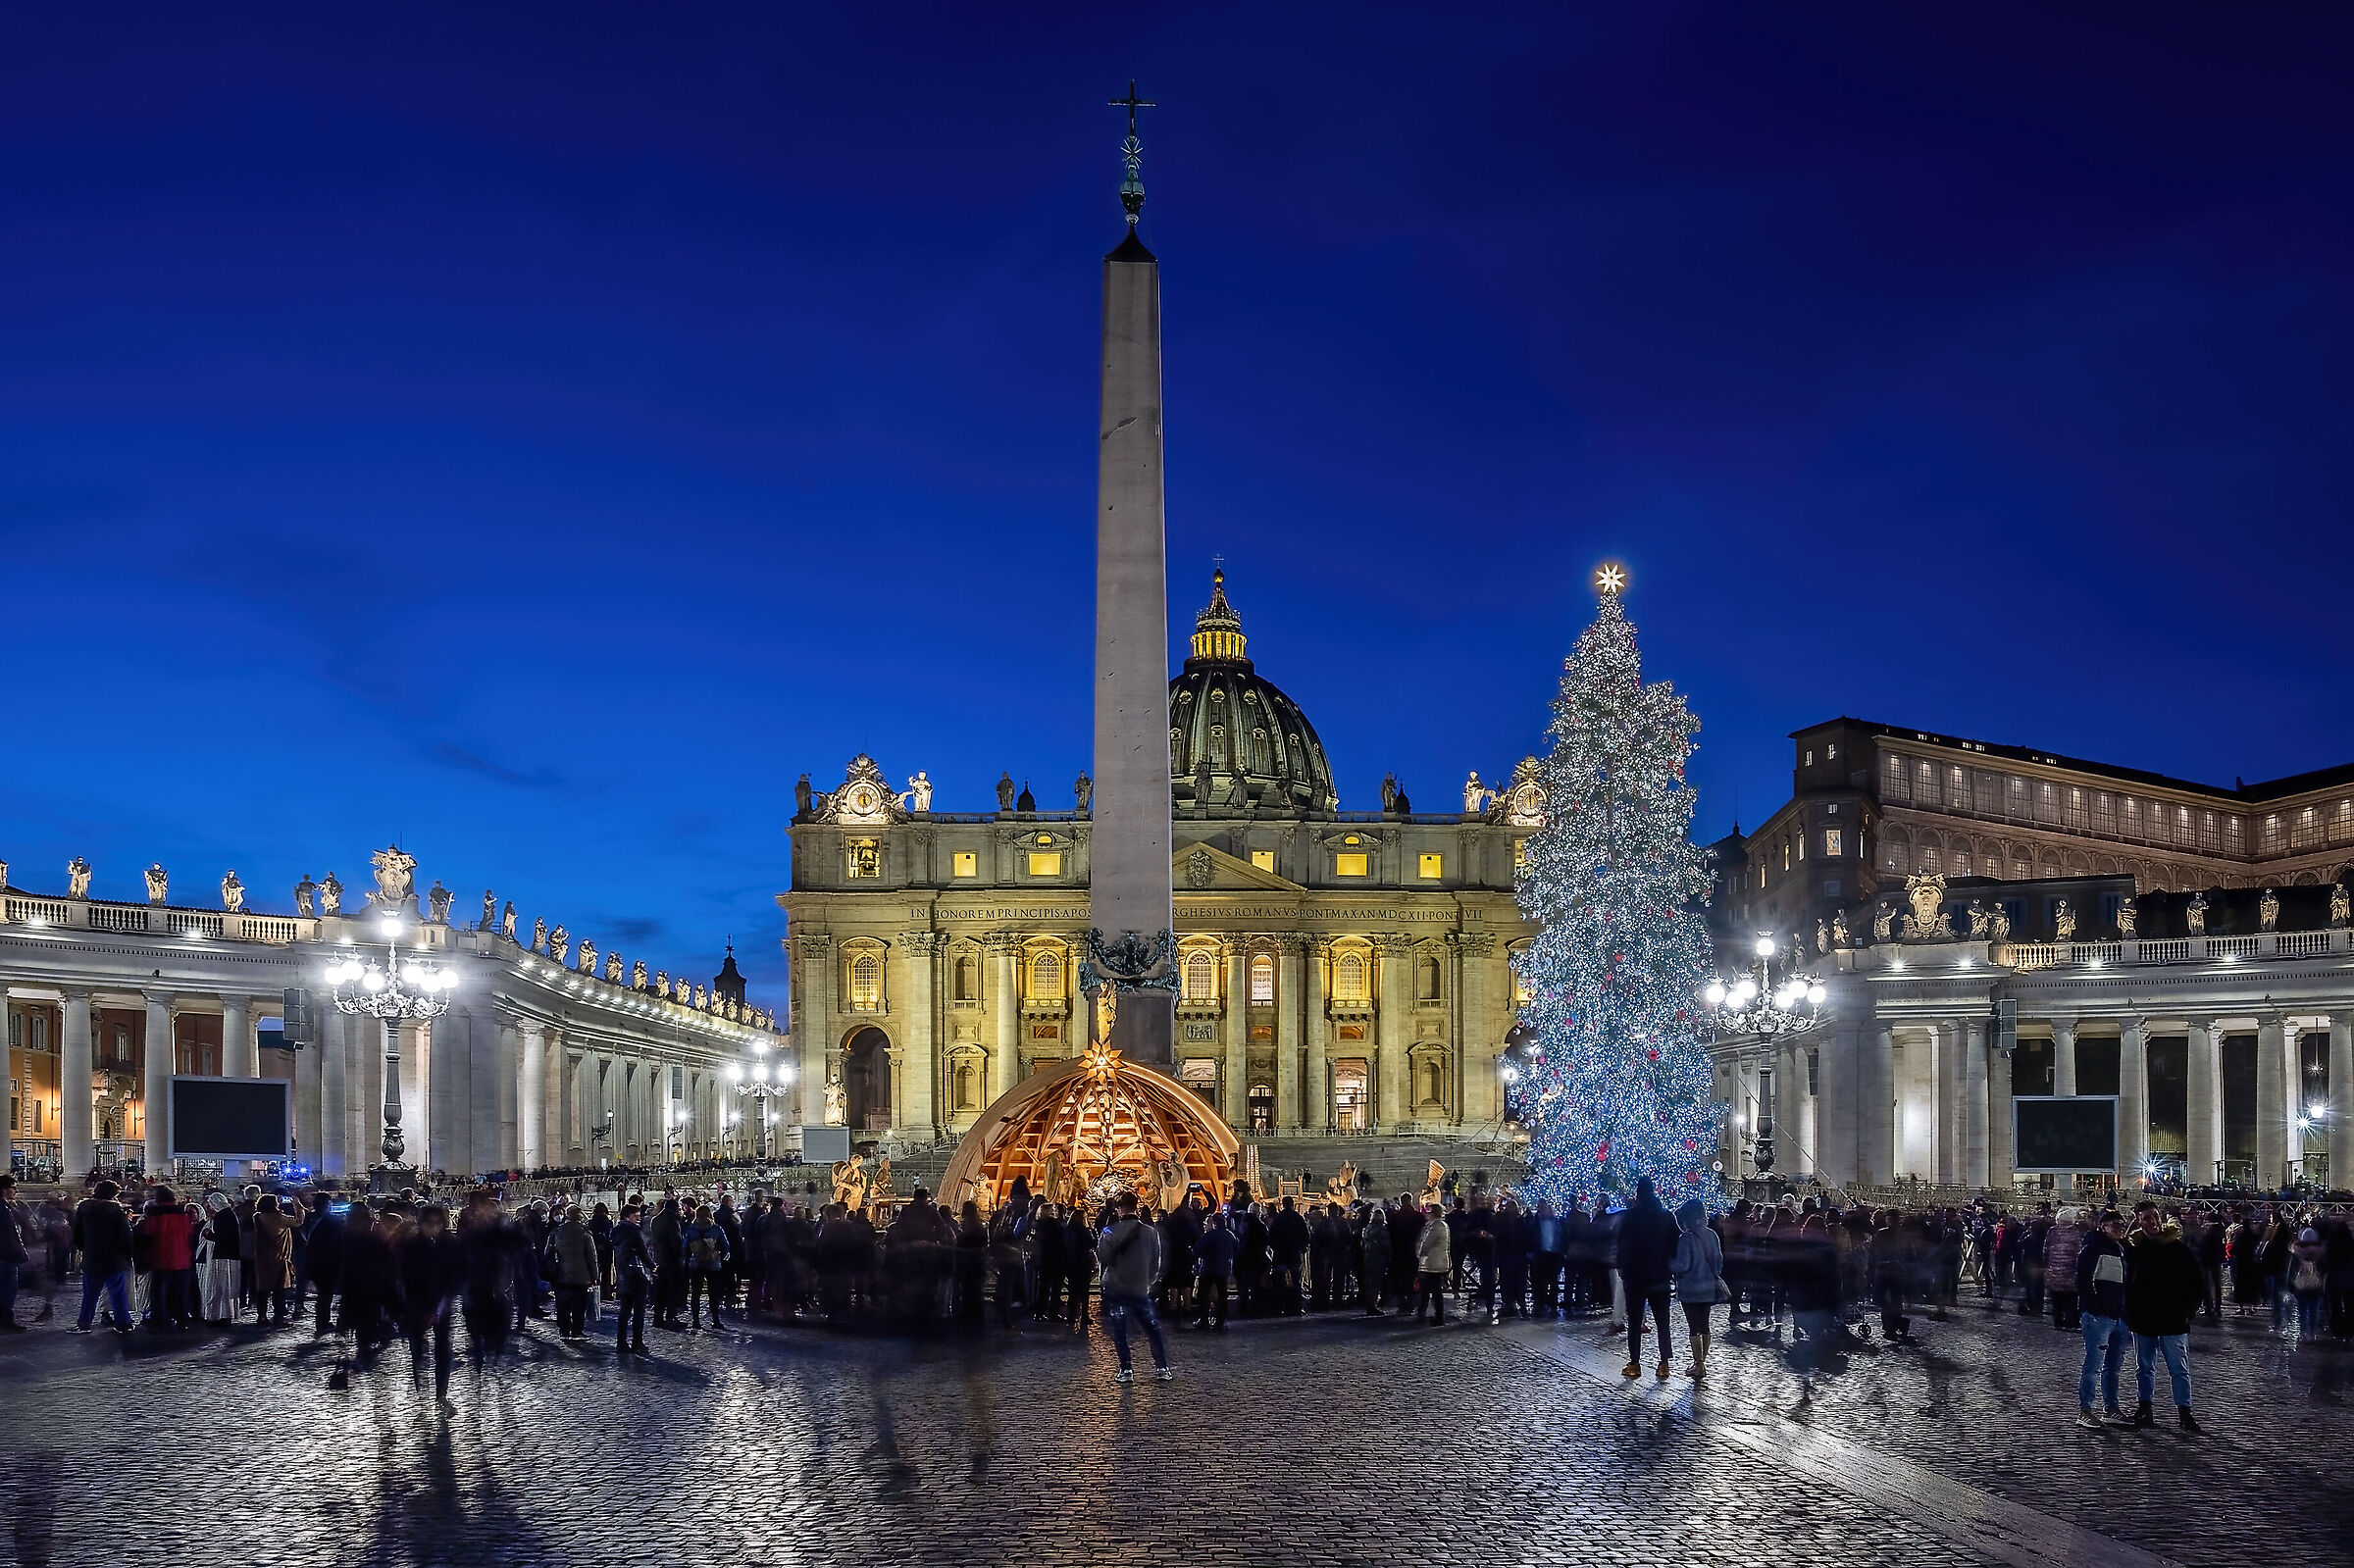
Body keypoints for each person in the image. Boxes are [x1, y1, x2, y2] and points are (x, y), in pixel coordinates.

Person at [2123, 1208, 2204, 1432]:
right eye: (2147, 1218)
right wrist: (2130, 1309)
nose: (2153, 1221)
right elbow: (2128, 1279)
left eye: (2156, 1216)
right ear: (2139, 1222)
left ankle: (2185, 1412)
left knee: (2179, 1367)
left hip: (2173, 1317)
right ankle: (2145, 1408)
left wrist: (2189, 1309)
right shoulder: (2136, 1249)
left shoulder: (2177, 1248)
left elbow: (2195, 1280)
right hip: (2143, 1317)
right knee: (2144, 1367)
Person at [393, 1205, 463, 1408]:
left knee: (443, 1350)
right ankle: (420, 1387)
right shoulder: (410, 1245)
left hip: (442, 1304)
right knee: (418, 1349)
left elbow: (457, 1275)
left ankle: (441, 1393)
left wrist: (442, 1304)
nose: (433, 1228)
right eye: (428, 1224)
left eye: (437, 1224)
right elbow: (404, 1277)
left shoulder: (451, 1244)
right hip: (417, 1304)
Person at [1096, 1193, 1170, 1383]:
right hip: (1139, 1287)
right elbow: (1156, 1262)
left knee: (1120, 1330)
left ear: (1120, 1208)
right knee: (1152, 1329)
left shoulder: (1110, 1232)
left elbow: (1103, 1258)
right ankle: (1162, 1367)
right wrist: (1148, 1281)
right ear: (1136, 1206)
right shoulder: (1150, 1232)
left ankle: (1126, 1369)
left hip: (1116, 1286)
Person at [1617, 1177, 1680, 1382]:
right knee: (1663, 1321)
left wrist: (1622, 1267)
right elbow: (1675, 1245)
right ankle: (1664, 1364)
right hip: (1660, 1274)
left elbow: (1622, 1243)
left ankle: (1635, 1363)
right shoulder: (1666, 1216)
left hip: (1635, 1276)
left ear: (1638, 1193)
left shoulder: (1631, 1216)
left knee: (1635, 1320)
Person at [2074, 1210, 2130, 1428]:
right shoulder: (2093, 1249)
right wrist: (2097, 1307)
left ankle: (2111, 1408)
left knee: (2113, 1366)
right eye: (2114, 1224)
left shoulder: (2122, 1250)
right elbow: (2082, 1280)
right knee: (2094, 1365)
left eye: (2121, 1224)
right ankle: (2085, 1409)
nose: (2119, 1228)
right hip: (2099, 1316)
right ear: (2102, 1227)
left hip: (2117, 1315)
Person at [69, 1180, 135, 1336]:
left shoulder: (83, 1209)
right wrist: (128, 1255)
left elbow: (77, 1233)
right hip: (114, 1258)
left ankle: (84, 1324)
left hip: (92, 1256)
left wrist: (84, 1248)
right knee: (117, 1293)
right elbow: (126, 1236)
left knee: (90, 1294)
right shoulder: (116, 1212)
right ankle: (123, 1323)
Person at [1669, 1197, 1725, 1379]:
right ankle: (1702, 1362)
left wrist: (1669, 1264)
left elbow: (1682, 1265)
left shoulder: (1686, 1237)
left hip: (1690, 1288)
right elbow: (1719, 1260)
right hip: (1708, 1285)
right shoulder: (1712, 1234)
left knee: (1693, 1326)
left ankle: (1698, 1364)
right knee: (1705, 1324)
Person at [136, 1186, 197, 1331]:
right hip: (182, 1258)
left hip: (160, 1258)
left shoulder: (154, 1216)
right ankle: (182, 1320)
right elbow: (189, 1235)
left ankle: (160, 1321)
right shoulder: (184, 1216)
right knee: (181, 1292)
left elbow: (149, 1236)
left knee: (159, 1292)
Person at [251, 1193, 307, 1328]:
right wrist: (297, 1204)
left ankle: (262, 1316)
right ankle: (279, 1317)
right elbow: (298, 1220)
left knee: (263, 1288)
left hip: (262, 1257)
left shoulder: (257, 1217)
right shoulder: (279, 1218)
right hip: (279, 1257)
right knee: (279, 1288)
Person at [545, 1205, 598, 1338]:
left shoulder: (556, 1232)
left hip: (561, 1275)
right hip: (582, 1276)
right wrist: (595, 1276)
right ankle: (576, 1331)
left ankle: (563, 1329)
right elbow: (592, 1257)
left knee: (562, 1305)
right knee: (579, 1306)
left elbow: (547, 1252)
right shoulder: (585, 1234)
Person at [611, 1202, 654, 1353]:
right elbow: (643, 1252)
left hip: (623, 1273)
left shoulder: (615, 1231)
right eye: (635, 1216)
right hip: (637, 1273)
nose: (639, 1218)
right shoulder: (634, 1232)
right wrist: (652, 1266)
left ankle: (621, 1342)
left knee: (625, 1310)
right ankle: (637, 1341)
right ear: (627, 1216)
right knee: (639, 1310)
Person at [683, 1203, 731, 1329]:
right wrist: (719, 1256)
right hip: (713, 1264)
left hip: (696, 1264)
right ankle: (715, 1320)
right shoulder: (716, 1229)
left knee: (696, 1293)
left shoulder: (691, 1229)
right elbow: (726, 1247)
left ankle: (696, 1321)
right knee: (713, 1293)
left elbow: (684, 1247)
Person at [1193, 1209, 1237, 1330]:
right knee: (1222, 1295)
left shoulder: (1209, 1235)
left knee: (1203, 1295)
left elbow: (1197, 1250)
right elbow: (1237, 1248)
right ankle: (1220, 1321)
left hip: (1208, 1268)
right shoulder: (1230, 1235)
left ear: (1214, 1223)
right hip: (1224, 1269)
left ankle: (1203, 1320)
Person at [1412, 1199, 1452, 1324]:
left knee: (1428, 1291)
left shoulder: (1435, 1226)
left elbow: (1426, 1243)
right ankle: (1428, 1314)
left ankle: (1431, 1315)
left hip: (1431, 1263)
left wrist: (1418, 1254)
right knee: (1433, 1291)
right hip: (1437, 1263)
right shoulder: (1443, 1225)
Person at [1268, 1195, 1308, 1317]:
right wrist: (1301, 1248)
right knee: (1296, 1282)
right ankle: (1295, 1308)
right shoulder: (1298, 1218)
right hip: (1294, 1254)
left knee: (1279, 1283)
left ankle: (1279, 1307)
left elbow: (1271, 1237)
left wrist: (1276, 1248)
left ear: (1282, 1205)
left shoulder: (1278, 1219)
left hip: (1280, 1255)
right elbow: (1305, 1236)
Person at [0, 1175, 28, 1331]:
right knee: (8, 1290)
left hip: (5, 1253)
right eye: (13, 1188)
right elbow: (9, 1234)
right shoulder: (3, 1209)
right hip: (6, 1255)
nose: (16, 1191)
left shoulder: (6, 1207)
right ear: (4, 1190)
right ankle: (6, 1322)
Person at [1358, 1205, 1392, 1317]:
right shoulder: (1382, 1230)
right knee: (1376, 1283)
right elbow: (1386, 1246)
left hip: (1367, 1257)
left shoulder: (1367, 1229)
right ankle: (1373, 1306)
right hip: (1379, 1258)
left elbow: (1362, 1244)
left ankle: (1369, 1305)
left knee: (1369, 1282)